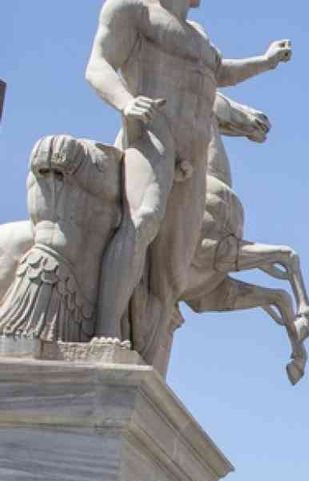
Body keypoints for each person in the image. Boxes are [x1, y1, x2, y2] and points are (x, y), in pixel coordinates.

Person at [85, 0, 292, 358]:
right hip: (153, 136)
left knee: (174, 268)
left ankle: (148, 357)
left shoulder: (198, 35)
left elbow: (219, 72)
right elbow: (98, 64)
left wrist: (265, 61)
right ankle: (104, 331)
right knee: (144, 218)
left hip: (194, 156)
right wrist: (125, 102)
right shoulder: (131, 8)